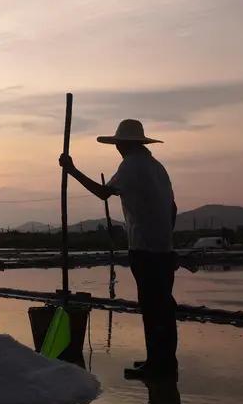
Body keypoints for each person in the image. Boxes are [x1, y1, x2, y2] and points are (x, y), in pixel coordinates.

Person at [59, 118, 178, 379]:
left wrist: (72, 170)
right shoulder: (157, 167)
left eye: (118, 144)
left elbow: (103, 193)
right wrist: (167, 238)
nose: (117, 148)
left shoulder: (131, 165)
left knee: (152, 307)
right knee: (164, 307)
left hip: (145, 248)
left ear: (124, 144)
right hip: (163, 249)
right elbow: (173, 208)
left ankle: (158, 366)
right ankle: (163, 362)